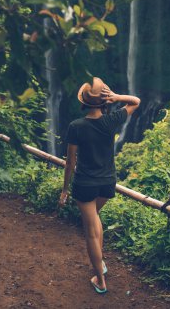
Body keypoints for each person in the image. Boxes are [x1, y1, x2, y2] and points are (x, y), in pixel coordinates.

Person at [59, 77, 140, 294]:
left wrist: (65, 189)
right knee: (95, 220)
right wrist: (116, 97)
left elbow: (71, 162)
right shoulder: (112, 120)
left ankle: (100, 280)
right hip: (107, 184)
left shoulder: (76, 127)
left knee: (90, 232)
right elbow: (135, 101)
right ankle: (100, 263)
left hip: (85, 185)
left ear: (83, 102)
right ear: (104, 102)